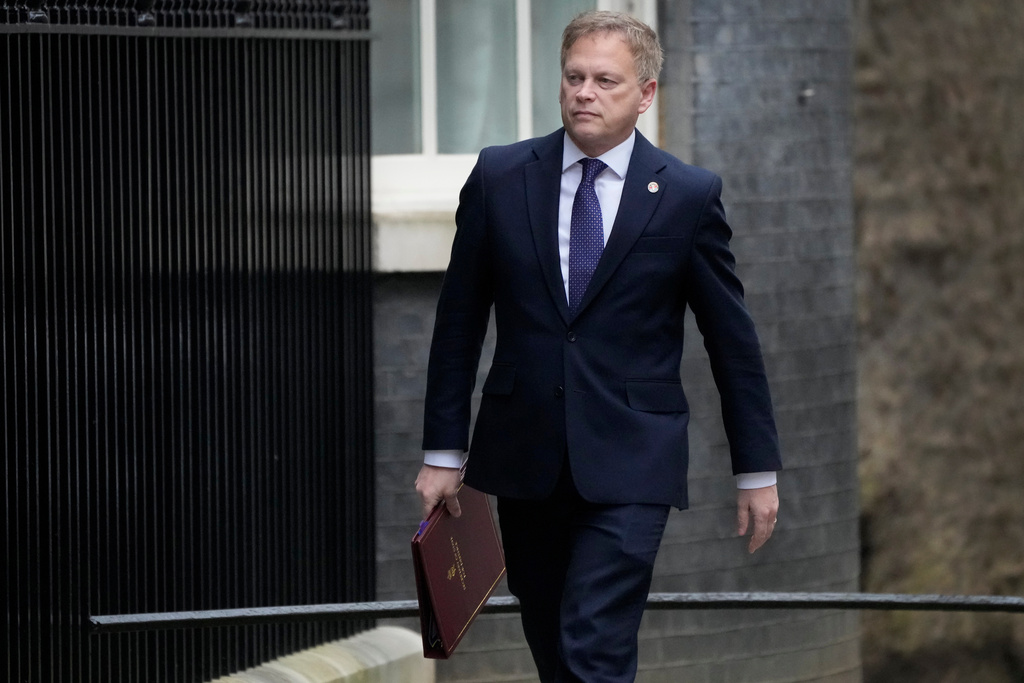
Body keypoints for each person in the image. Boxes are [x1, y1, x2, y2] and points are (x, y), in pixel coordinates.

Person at [415, 10, 782, 682]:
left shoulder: (687, 196)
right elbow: (459, 318)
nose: (584, 91)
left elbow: (733, 342)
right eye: (574, 77)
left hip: (633, 461)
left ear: (644, 95)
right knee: (555, 642)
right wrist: (444, 451)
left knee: (593, 645)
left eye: (605, 80)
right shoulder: (501, 177)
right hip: (525, 456)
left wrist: (755, 470)